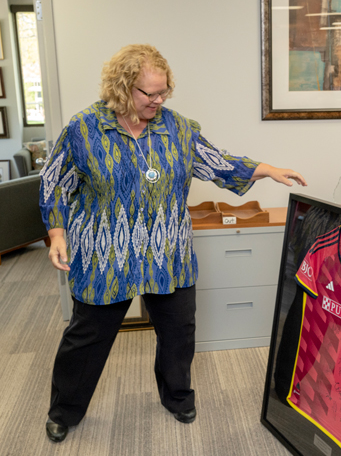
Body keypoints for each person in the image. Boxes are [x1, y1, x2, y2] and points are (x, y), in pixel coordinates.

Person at [39, 44, 307, 443]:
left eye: (163, 91)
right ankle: (65, 409)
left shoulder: (178, 128)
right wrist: (57, 233)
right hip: (105, 254)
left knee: (179, 333)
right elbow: (54, 182)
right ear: (123, 88)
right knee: (87, 338)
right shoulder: (84, 129)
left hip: (167, 252)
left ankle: (177, 397)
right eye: (149, 93)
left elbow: (218, 162)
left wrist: (268, 169)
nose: (159, 100)